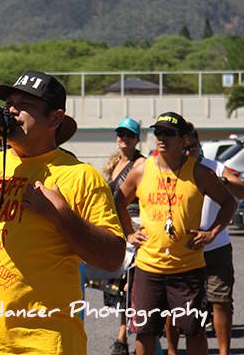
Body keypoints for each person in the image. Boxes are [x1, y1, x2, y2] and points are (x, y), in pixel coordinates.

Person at [0, 71, 126, 354]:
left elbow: (113, 257)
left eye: (24, 104)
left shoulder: (80, 176)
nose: (11, 110)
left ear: (55, 118)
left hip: (46, 343)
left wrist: (60, 214)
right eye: (10, 104)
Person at [115, 112, 238, 355]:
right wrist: (128, 233)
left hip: (188, 269)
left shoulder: (199, 172)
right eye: (157, 132)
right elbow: (118, 201)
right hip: (149, 268)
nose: (161, 138)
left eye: (168, 133)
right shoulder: (142, 170)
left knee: (194, 330)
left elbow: (229, 202)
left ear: (183, 139)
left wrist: (212, 232)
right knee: (146, 331)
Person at [165, 125, 244, 355]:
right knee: (175, 305)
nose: (188, 152)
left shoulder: (214, 168)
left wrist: (221, 182)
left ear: (198, 144)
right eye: (183, 148)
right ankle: (172, 350)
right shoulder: (172, 172)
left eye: (192, 147)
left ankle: (224, 352)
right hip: (183, 249)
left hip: (216, 247)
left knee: (220, 300)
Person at [101, 117, 146, 355]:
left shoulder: (142, 164)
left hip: (136, 226)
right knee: (119, 288)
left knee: (132, 286)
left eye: (128, 134)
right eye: (120, 133)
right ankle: (124, 336)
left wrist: (134, 231)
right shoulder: (114, 162)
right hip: (117, 227)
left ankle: (124, 338)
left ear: (137, 139)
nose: (123, 138)